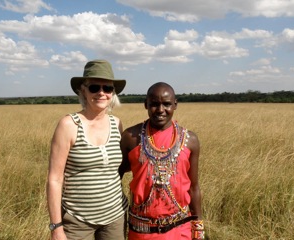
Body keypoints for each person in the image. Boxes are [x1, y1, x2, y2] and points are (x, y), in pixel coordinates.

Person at [46, 59, 128, 240]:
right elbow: (55, 179)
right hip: (77, 221)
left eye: (107, 88)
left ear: (113, 93)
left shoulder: (117, 124)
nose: (101, 93)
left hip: (115, 217)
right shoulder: (68, 125)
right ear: (83, 90)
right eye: (94, 87)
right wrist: (56, 228)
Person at [119, 82, 205, 240]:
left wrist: (198, 227)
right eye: (154, 104)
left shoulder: (190, 140)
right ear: (146, 104)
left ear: (175, 104)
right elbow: (116, 174)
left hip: (181, 228)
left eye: (166, 104)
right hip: (141, 230)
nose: (160, 110)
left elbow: (193, 187)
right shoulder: (130, 137)